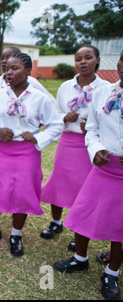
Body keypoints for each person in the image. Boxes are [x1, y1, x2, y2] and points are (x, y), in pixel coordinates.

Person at [53, 51, 123, 300]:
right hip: (104, 167)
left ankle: (111, 272)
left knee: (120, 224)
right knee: (83, 211)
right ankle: (80, 258)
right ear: (118, 62)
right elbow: (92, 128)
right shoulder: (105, 93)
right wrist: (95, 150)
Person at [0, 53, 63, 257]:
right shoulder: (0, 95)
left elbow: (56, 124)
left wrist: (37, 138)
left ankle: (16, 234)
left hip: (27, 153)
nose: (9, 72)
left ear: (28, 70)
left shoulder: (39, 98)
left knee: (22, 193)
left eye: (14, 68)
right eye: (6, 68)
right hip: (3, 151)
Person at [40, 45, 109, 248]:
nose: (83, 62)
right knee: (59, 181)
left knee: (84, 188)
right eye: (79, 59)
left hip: (90, 145)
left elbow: (109, 118)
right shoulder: (66, 87)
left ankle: (78, 231)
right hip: (68, 141)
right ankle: (55, 222)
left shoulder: (105, 88)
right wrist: (64, 117)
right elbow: (55, 114)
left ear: (97, 60)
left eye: (88, 58)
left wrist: (93, 127)